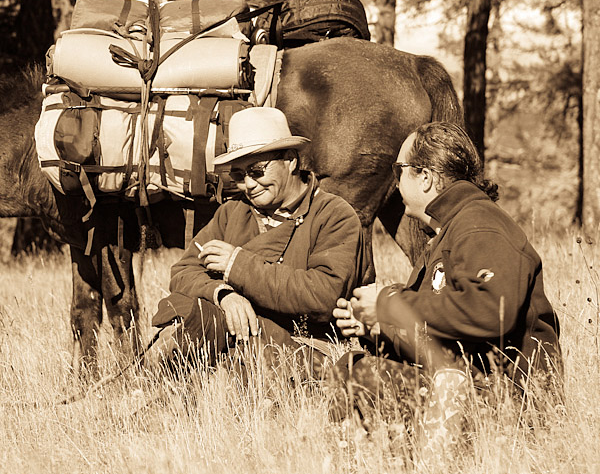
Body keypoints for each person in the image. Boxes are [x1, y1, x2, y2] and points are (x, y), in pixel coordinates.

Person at [331, 121, 562, 447]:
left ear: (425, 177)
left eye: (399, 171)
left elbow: (489, 311)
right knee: (351, 365)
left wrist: (388, 304)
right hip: (471, 390)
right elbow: (446, 338)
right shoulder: (450, 231)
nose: (395, 183)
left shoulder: (480, 226)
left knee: (363, 374)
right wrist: (377, 329)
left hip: (513, 410)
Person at [150, 106, 368, 373]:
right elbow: (183, 271)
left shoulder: (334, 215)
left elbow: (322, 296)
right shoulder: (232, 212)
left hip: (305, 348)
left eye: (257, 171)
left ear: (291, 160)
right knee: (188, 312)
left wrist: (237, 266)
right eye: (238, 176)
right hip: (241, 340)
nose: (249, 185)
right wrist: (223, 294)